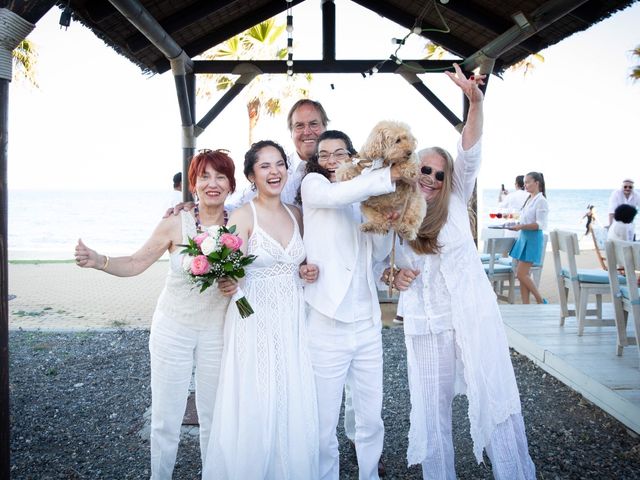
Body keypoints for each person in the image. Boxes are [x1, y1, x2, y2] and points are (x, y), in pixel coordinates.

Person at [389, 63, 536, 479]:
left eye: (439, 171)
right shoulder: (396, 209)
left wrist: (475, 101)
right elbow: (385, 263)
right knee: (431, 411)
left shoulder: (456, 194)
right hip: (425, 320)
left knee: (496, 397)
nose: (432, 177)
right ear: (413, 170)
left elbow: (469, 147)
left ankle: (515, 473)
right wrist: (393, 277)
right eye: (425, 170)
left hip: (472, 314)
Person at [75, 149, 235, 479]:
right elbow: (136, 262)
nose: (212, 183)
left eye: (220, 176)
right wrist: (99, 260)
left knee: (214, 417)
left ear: (231, 184)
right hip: (173, 328)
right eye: (204, 176)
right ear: (193, 185)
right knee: (166, 417)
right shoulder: (175, 223)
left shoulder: (242, 225)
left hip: (218, 333)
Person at [203, 140, 319, 479]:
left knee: (291, 395)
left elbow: (300, 264)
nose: (274, 171)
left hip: (292, 317)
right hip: (252, 317)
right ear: (252, 174)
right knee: (258, 395)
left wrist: (304, 270)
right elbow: (226, 271)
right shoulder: (243, 215)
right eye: (265, 166)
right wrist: (234, 293)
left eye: (279, 163)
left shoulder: (297, 214)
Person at [300, 129, 407, 480]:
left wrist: (387, 226)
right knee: (323, 420)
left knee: (370, 416)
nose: (332, 160)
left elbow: (374, 258)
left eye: (340, 153)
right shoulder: (315, 187)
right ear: (317, 161)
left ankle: (369, 474)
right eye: (325, 154)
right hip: (327, 323)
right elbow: (338, 196)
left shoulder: (364, 200)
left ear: (352, 156)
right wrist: (386, 176)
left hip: (366, 324)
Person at [225, 98, 330, 208]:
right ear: (291, 132)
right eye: (299, 126)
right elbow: (237, 206)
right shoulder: (277, 171)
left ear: (325, 127)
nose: (307, 132)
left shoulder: (342, 168)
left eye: (313, 124)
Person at [509, 172, 549, 304]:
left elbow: (540, 224)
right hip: (524, 237)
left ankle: (539, 299)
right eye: (524, 182)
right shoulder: (530, 199)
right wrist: (517, 225)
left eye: (527, 182)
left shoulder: (541, 201)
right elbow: (524, 219)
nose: (525, 185)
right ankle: (526, 305)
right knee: (522, 275)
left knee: (521, 274)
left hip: (532, 239)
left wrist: (522, 226)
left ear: (537, 183)